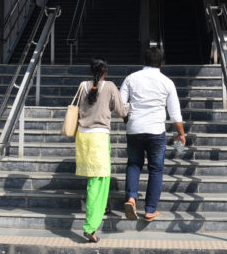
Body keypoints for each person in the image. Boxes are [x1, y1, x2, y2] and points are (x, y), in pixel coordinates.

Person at [119, 46, 185, 222]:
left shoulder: (131, 79)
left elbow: (121, 105)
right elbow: (175, 113)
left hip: (134, 129)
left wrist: (128, 121)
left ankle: (131, 198)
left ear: (144, 62)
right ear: (162, 64)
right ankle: (149, 210)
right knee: (156, 169)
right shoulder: (167, 82)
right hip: (156, 131)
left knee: (134, 164)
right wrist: (181, 134)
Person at [75, 58, 128, 243]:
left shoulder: (82, 86)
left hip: (82, 138)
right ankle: (90, 226)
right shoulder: (110, 86)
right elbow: (121, 111)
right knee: (99, 181)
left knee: (94, 179)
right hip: (99, 138)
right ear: (105, 72)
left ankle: (102, 206)